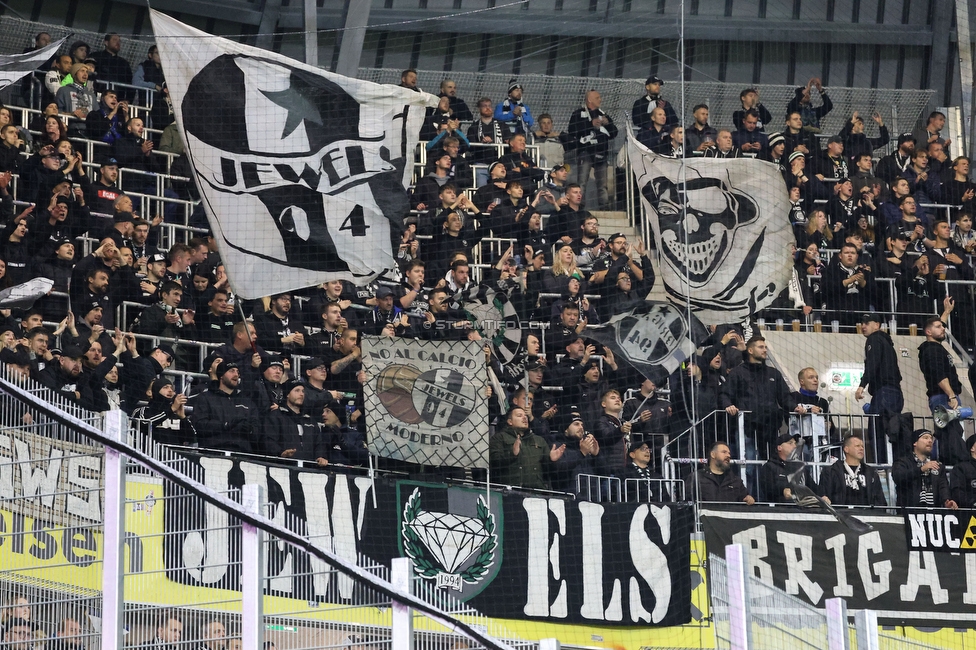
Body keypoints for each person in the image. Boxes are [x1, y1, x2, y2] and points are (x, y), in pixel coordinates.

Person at [719, 335, 800, 462]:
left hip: (770, 428)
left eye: (766, 347)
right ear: (750, 350)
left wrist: (795, 407)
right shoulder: (737, 372)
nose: (765, 350)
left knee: (770, 463)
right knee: (749, 465)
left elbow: (784, 397)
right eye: (761, 347)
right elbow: (725, 393)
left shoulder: (774, 373)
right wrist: (728, 405)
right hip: (746, 427)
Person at [918, 315, 969, 465]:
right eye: (939, 327)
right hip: (943, 396)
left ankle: (950, 464)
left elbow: (938, 326)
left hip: (944, 396)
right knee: (950, 433)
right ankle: (951, 466)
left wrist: (946, 312)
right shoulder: (932, 350)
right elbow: (939, 375)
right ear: (928, 331)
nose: (943, 329)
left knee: (950, 431)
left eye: (943, 326)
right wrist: (951, 395)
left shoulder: (935, 347)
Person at [854, 312, 905, 458]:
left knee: (877, 430)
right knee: (893, 430)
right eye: (862, 323)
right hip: (895, 393)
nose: (863, 326)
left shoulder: (874, 339)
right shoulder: (887, 342)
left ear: (877, 325)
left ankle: (882, 466)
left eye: (867, 323)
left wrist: (862, 385)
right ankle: (893, 464)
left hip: (884, 393)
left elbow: (873, 363)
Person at [189, 360, 257, 453]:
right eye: (231, 371)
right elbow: (200, 425)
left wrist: (250, 430)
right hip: (213, 452)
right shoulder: (205, 398)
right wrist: (225, 425)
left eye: (237, 372)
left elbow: (258, 430)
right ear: (221, 375)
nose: (236, 375)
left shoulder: (247, 402)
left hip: (242, 453)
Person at [489, 407, 565, 490]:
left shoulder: (539, 440)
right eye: (519, 415)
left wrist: (551, 460)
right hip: (509, 492)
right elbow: (494, 463)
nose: (524, 417)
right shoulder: (499, 437)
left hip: (537, 493)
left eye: (525, 415)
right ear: (510, 421)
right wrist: (512, 454)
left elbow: (549, 472)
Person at [567, 90, 617, 209]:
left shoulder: (603, 114)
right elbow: (572, 130)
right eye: (597, 97)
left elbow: (614, 133)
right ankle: (579, 206)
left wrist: (608, 123)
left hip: (601, 153)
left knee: (603, 184)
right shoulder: (578, 113)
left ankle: (604, 206)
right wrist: (590, 124)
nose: (600, 100)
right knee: (582, 182)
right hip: (586, 152)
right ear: (590, 100)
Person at [266, 379, 332, 466]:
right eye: (297, 390)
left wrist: (321, 456)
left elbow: (319, 444)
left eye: (303, 391)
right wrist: (281, 453)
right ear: (288, 394)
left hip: (309, 470)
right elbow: (268, 440)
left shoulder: (310, 420)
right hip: (283, 467)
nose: (301, 394)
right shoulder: (276, 416)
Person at [892, 429, 958, 509]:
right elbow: (898, 477)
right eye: (925, 438)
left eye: (931, 438)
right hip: (908, 512)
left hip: (933, 514)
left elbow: (943, 487)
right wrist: (921, 469)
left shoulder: (938, 465)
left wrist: (946, 501)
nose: (930, 441)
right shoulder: (903, 461)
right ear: (915, 443)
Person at [819, 434, 888, 506]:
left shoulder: (871, 473)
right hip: (840, 514)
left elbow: (880, 501)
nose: (861, 448)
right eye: (857, 446)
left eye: (862, 446)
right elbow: (824, 497)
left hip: (866, 514)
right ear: (846, 449)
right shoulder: (830, 472)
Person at [684, 441, 755, 504]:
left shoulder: (735, 481)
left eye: (729, 453)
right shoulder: (697, 477)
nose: (728, 455)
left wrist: (749, 499)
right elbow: (687, 502)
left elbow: (745, 498)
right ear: (713, 454)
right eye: (724, 452)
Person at [548, 414, 601, 494]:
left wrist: (596, 455)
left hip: (590, 499)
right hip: (568, 499)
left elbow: (603, 472)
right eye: (576, 424)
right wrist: (581, 454)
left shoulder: (584, 448)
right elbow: (558, 470)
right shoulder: (557, 446)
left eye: (582, 425)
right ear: (566, 429)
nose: (581, 427)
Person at [759, 433, 819, 503]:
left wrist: (823, 495)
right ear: (779, 447)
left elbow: (813, 487)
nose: (794, 446)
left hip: (804, 508)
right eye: (790, 443)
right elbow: (768, 489)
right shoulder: (769, 467)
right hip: (780, 509)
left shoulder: (800, 467)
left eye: (795, 443)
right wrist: (783, 490)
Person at [950, 435, 976, 509]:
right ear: (972, 448)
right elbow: (957, 493)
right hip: (971, 514)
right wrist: (973, 503)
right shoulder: (961, 468)